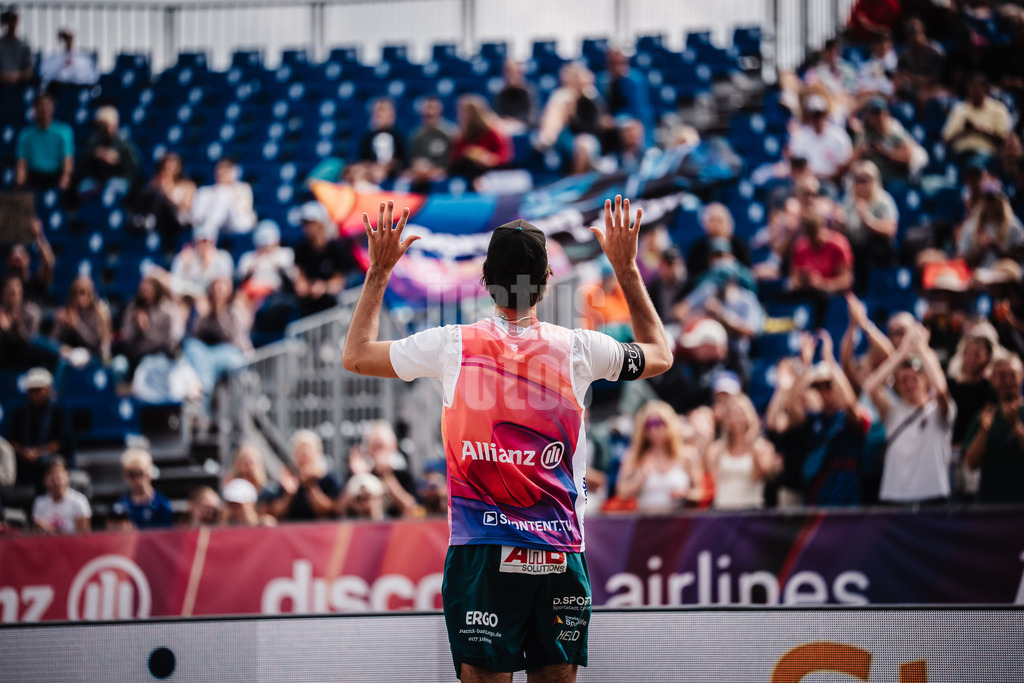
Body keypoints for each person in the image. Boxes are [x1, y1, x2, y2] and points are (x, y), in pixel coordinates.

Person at [341, 196, 672, 682]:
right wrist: (625, 267)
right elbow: (659, 354)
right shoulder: (578, 348)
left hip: (481, 549)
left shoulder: (452, 344)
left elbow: (356, 356)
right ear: (544, 282)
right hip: (559, 548)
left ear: (485, 279)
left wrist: (380, 271)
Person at [766, 332, 871, 506]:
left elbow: (850, 403)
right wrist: (803, 365)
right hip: (816, 498)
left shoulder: (850, 417)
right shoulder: (813, 419)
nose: (823, 392)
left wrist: (830, 361)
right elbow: (792, 410)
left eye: (828, 385)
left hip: (846, 497)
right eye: (818, 387)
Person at [863, 322, 955, 504]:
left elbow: (941, 389)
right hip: (895, 496)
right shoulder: (893, 411)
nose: (909, 384)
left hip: (933, 495)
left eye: (914, 378)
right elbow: (871, 387)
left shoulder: (938, 410)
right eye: (903, 380)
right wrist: (901, 353)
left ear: (925, 379)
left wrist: (922, 349)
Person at [615, 400, 702, 511]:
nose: (654, 429)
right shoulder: (634, 456)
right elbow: (622, 492)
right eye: (649, 424)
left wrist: (685, 493)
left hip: (678, 522)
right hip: (646, 522)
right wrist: (640, 478)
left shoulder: (687, 456)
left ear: (670, 424)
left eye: (660, 422)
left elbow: (699, 493)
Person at [963, 353, 1024, 503]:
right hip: (991, 509)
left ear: (1021, 377)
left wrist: (1015, 426)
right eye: (1002, 376)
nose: (1008, 381)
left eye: (1012, 375)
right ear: (992, 380)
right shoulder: (983, 417)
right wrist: (983, 431)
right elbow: (970, 464)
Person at [706, 393, 779, 510]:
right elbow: (711, 479)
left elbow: (763, 476)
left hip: (750, 511)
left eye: (739, 413)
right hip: (722, 509)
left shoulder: (762, 447)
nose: (735, 419)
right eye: (731, 414)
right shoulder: (717, 449)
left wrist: (752, 443)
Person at [6, 368, 72, 493]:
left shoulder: (58, 412)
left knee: (50, 466)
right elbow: (11, 440)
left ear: (47, 390)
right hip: (23, 457)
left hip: (48, 458)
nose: (35, 394)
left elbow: (60, 442)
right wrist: (24, 452)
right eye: (31, 391)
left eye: (38, 390)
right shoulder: (19, 413)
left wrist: (37, 453)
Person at [841, 160, 898, 289]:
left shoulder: (884, 201)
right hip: (855, 247)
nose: (862, 184)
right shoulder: (848, 202)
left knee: (870, 250)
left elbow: (890, 230)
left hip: (878, 250)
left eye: (866, 180)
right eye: (858, 180)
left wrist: (867, 220)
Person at [292, 200, 355, 315]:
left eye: (310, 222)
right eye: (304, 223)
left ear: (320, 223)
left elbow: (340, 282)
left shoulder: (336, 248)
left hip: (335, 308)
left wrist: (323, 287)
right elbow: (299, 279)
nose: (306, 227)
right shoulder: (300, 249)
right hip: (309, 309)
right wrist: (303, 286)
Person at [265, 429, 342, 522]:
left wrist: (311, 485)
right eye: (300, 450)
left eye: (308, 449)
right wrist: (289, 495)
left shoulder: (329, 480)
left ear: (318, 452)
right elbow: (277, 514)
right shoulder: (287, 481)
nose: (304, 453)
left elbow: (331, 511)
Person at [942, 73, 1013, 167]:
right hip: (960, 155)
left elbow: (1005, 140)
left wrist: (982, 131)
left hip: (987, 156)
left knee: (974, 164)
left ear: (985, 89)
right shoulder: (959, 109)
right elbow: (946, 140)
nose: (974, 92)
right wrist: (963, 131)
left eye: (977, 89)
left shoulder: (998, 109)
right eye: (971, 88)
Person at [851, 97, 923, 185]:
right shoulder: (864, 134)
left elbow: (908, 157)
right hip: (870, 181)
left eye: (881, 112)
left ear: (886, 114)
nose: (879, 117)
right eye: (875, 113)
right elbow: (852, 161)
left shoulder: (895, 130)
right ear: (869, 115)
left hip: (893, 177)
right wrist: (863, 151)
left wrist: (885, 151)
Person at [787, 94, 853, 187]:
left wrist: (826, 176)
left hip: (831, 183)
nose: (817, 119)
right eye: (813, 115)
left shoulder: (839, 136)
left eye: (819, 114)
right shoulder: (799, 136)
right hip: (805, 182)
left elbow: (845, 165)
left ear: (826, 114)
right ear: (808, 116)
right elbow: (796, 167)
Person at [76, 105, 140, 200]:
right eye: (103, 127)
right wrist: (95, 157)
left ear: (116, 125)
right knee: (83, 188)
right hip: (96, 179)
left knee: (111, 188)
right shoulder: (93, 141)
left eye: (109, 126)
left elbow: (135, 166)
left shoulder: (123, 142)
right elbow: (82, 165)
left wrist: (118, 160)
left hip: (118, 178)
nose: (107, 130)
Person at [119, 274, 180, 371]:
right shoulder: (133, 309)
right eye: (143, 291)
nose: (146, 294)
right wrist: (136, 327)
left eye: (149, 290)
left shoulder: (166, 312)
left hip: (157, 356)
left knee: (149, 364)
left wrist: (146, 328)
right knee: (119, 365)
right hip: (134, 356)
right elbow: (126, 338)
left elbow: (168, 345)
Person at [448, 94, 512, 187]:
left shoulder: (493, 131)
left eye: (466, 112)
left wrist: (487, 158)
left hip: (490, 172)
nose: (463, 115)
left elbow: (504, 156)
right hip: (469, 171)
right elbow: (455, 158)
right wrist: (468, 152)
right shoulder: (461, 134)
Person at [131, 152, 196, 242]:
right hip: (161, 219)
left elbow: (187, 206)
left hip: (177, 218)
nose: (167, 171)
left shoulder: (187, 185)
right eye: (165, 168)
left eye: (171, 168)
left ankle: (150, 219)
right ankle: (141, 218)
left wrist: (167, 191)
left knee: (160, 197)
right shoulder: (158, 183)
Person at [15, 93, 74, 192]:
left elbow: (68, 160)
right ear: (34, 108)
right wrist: (20, 178)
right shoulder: (25, 134)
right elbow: (21, 162)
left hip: (55, 176)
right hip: (34, 176)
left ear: (53, 108)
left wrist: (66, 178)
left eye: (47, 105)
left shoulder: (64, 131)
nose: (43, 109)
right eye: (39, 105)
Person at [955, 184, 1024, 268]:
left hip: (1006, 275)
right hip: (978, 276)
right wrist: (982, 248)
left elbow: (1017, 259)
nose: (991, 205)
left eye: (994, 200)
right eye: (988, 200)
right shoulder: (970, 227)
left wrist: (995, 247)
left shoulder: (1014, 226)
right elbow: (963, 260)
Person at [685, 204, 754, 284]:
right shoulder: (698, 248)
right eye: (712, 220)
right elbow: (692, 277)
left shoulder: (739, 246)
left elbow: (748, 273)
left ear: (729, 223)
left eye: (720, 220)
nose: (716, 225)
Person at [52, 275, 112, 365]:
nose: (82, 297)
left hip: (93, 357)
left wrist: (77, 325)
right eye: (79, 292)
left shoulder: (98, 315)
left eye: (86, 292)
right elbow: (53, 342)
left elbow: (95, 343)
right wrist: (61, 325)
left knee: (66, 362)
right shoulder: (66, 313)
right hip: (68, 355)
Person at [236, 219, 294, 310]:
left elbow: (291, 277)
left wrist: (273, 258)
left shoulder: (285, 253)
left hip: (275, 294)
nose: (265, 247)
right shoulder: (248, 257)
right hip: (250, 295)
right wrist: (256, 261)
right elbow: (241, 280)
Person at [189, 158, 257, 234]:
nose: (222, 173)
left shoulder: (243, 188)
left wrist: (229, 191)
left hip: (238, 223)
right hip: (209, 226)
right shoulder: (204, 191)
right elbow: (196, 217)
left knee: (224, 192)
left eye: (226, 170)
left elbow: (244, 210)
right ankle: (208, 230)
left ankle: (209, 229)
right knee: (222, 192)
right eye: (220, 169)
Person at [169, 223, 235, 300]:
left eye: (208, 241)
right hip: (188, 300)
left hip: (213, 301)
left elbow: (226, 288)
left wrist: (207, 267)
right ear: (195, 242)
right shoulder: (184, 257)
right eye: (201, 241)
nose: (205, 245)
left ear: (214, 241)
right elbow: (175, 287)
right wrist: (186, 269)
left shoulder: (223, 258)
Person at [116, 447, 174, 529]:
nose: (136, 479)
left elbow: (165, 536)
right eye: (131, 474)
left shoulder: (162, 505)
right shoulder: (121, 506)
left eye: (139, 473)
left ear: (148, 473)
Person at [407, 95, 455, 191]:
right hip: (422, 175)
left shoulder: (450, 133)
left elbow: (454, 161)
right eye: (427, 108)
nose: (430, 112)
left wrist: (440, 171)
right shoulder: (416, 135)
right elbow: (414, 159)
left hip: (444, 174)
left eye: (433, 108)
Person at [895, 18, 947, 104]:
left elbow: (938, 79)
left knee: (923, 96)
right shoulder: (905, 53)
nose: (913, 37)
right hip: (913, 88)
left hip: (934, 87)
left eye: (915, 32)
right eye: (909, 33)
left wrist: (913, 79)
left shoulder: (935, 51)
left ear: (922, 32)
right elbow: (900, 74)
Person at [31, 457, 90, 534]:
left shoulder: (79, 501)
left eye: (59, 472)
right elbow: (36, 533)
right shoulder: (39, 502)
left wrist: (51, 531)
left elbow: (84, 534)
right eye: (50, 473)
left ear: (67, 476)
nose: (55, 477)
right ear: (44, 480)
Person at [357, 97, 408, 182]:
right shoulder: (367, 137)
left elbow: (405, 160)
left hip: (396, 175)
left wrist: (389, 166)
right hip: (371, 175)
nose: (380, 115)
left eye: (383, 111)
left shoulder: (400, 136)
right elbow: (362, 160)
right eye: (377, 112)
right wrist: (372, 168)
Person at [0, 275, 43, 369]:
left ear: (21, 293)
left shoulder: (32, 312)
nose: (10, 298)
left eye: (13, 294)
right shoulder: (1, 312)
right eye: (7, 294)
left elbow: (33, 343)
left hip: (27, 360)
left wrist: (17, 328)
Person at [39, 27, 97, 91]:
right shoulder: (52, 57)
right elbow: (45, 76)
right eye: (65, 38)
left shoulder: (84, 59)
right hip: (58, 91)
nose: (67, 41)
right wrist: (62, 65)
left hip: (78, 91)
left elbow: (91, 78)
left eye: (70, 38)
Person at [493, 59, 535, 133]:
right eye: (509, 72)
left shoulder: (528, 92)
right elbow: (495, 116)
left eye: (517, 73)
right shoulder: (499, 93)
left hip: (523, 129)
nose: (513, 76)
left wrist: (517, 122)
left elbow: (532, 117)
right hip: (504, 127)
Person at [0, 6, 32, 86]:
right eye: (9, 19)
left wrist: (17, 76)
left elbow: (29, 71)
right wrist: (5, 76)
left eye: (14, 19)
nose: (11, 23)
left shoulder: (24, 45)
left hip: (19, 87)